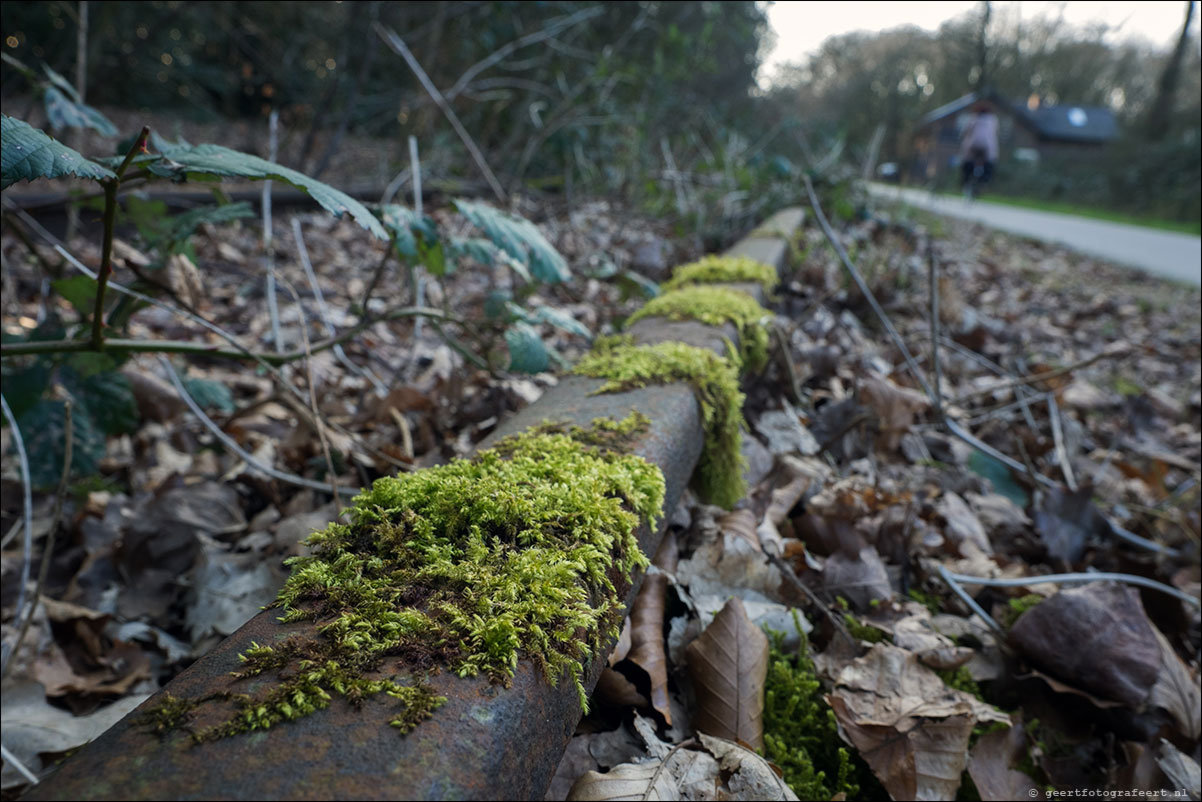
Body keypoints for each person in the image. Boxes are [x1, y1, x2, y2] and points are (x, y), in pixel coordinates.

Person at [959, 101, 999, 196]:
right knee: (990, 162)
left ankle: (965, 182)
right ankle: (984, 182)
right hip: (987, 147)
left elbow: (966, 131)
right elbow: (996, 132)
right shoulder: (993, 120)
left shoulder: (973, 118)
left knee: (967, 161)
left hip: (973, 145)